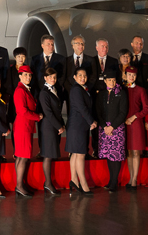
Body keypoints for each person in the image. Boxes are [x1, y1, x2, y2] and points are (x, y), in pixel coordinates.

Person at [96, 66, 128, 192]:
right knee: (109, 155)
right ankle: (110, 180)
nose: (112, 82)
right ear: (105, 81)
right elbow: (98, 111)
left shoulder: (121, 93)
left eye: (114, 80)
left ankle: (114, 181)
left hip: (117, 128)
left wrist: (112, 126)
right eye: (109, 80)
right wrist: (104, 126)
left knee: (117, 156)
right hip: (104, 128)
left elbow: (123, 112)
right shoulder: (102, 94)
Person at [66, 67, 96, 195]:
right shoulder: (77, 90)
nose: (83, 78)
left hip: (77, 125)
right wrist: (92, 121)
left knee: (76, 153)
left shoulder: (81, 89)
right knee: (80, 154)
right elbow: (82, 108)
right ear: (74, 77)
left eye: (84, 76)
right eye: (80, 76)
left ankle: (73, 179)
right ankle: (83, 183)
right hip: (77, 125)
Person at [12, 65, 42, 197]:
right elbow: (22, 111)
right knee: (23, 157)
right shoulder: (20, 90)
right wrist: (37, 116)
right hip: (23, 127)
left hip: (25, 126)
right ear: (20, 76)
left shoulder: (25, 89)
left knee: (21, 156)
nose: (28, 77)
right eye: (25, 75)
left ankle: (20, 184)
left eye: (29, 75)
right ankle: (19, 185)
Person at [37, 67, 65, 194]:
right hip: (48, 127)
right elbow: (48, 112)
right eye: (50, 77)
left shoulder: (55, 89)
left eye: (54, 77)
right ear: (45, 78)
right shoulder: (44, 93)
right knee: (47, 156)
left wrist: (60, 124)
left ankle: (48, 182)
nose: (53, 79)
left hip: (54, 126)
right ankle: (48, 183)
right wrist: (59, 126)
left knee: (50, 155)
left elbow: (58, 111)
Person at [123, 66, 148, 189]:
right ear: (125, 75)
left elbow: (146, 108)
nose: (131, 77)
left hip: (136, 123)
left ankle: (134, 179)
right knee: (129, 152)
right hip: (124, 124)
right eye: (129, 75)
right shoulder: (122, 89)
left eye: (133, 75)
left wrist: (134, 117)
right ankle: (130, 177)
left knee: (136, 151)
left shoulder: (141, 90)